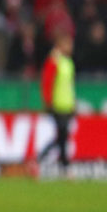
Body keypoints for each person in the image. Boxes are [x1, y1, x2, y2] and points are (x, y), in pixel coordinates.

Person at [37, 31, 75, 174]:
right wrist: (47, 102)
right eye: (69, 44)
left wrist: (72, 102)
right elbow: (47, 82)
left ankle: (41, 160)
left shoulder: (68, 62)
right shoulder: (54, 61)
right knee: (62, 137)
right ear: (61, 45)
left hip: (67, 105)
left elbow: (69, 86)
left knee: (61, 138)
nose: (71, 47)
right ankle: (64, 167)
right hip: (57, 105)